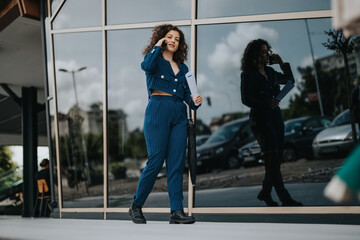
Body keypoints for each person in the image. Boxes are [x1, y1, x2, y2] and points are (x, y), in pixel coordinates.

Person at [129, 24, 202, 224]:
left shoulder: (184, 68)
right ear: (162, 39)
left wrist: (195, 102)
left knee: (176, 164)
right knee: (155, 160)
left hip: (178, 113)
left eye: (177, 39)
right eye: (169, 37)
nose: (173, 41)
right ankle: (136, 206)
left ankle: (176, 211)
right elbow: (145, 66)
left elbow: (189, 97)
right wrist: (158, 46)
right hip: (158, 109)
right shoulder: (154, 60)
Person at [240, 39, 302, 207]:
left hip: (276, 118)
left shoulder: (272, 72)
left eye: (267, 51)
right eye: (262, 51)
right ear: (254, 54)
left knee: (275, 159)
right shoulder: (248, 74)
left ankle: (266, 192)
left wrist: (282, 63)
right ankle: (285, 197)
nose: (266, 54)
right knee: (271, 158)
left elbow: (290, 81)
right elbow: (246, 99)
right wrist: (266, 103)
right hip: (260, 120)